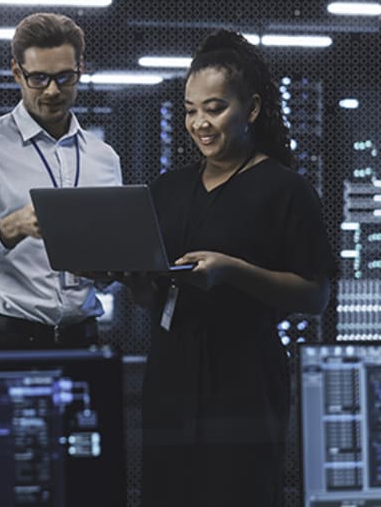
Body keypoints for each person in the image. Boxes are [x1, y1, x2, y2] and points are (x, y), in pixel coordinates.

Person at [138, 30, 334, 506]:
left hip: (244, 377)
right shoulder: (167, 189)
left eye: (214, 108)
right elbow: (154, 296)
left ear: (251, 109)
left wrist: (233, 271)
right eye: (190, 110)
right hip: (169, 373)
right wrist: (132, 279)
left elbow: (314, 296)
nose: (200, 123)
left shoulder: (285, 189)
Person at [0, 12, 122, 349]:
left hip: (85, 339)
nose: (52, 90)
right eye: (39, 78)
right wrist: (11, 227)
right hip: (9, 341)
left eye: (64, 77)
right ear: (17, 73)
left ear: (81, 70)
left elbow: (110, 263)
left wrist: (111, 271)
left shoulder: (104, 158)